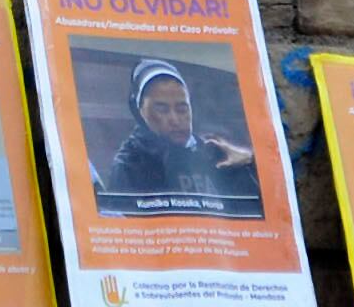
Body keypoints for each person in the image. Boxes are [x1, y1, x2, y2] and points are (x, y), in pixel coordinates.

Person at [96, 58, 260, 214]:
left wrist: (251, 162)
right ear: (140, 111)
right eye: (162, 109)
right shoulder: (130, 165)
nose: (175, 120)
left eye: (182, 109)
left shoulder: (217, 155)